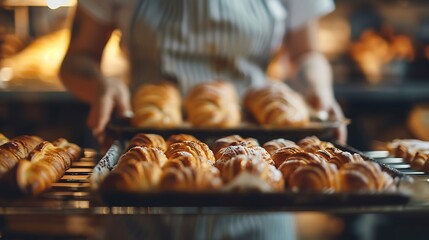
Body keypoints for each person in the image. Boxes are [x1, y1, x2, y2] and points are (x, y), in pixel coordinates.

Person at [60, 0, 346, 239]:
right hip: (144, 179)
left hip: (255, 175)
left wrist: (318, 89)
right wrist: (101, 85)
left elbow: (306, 53)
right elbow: (77, 58)